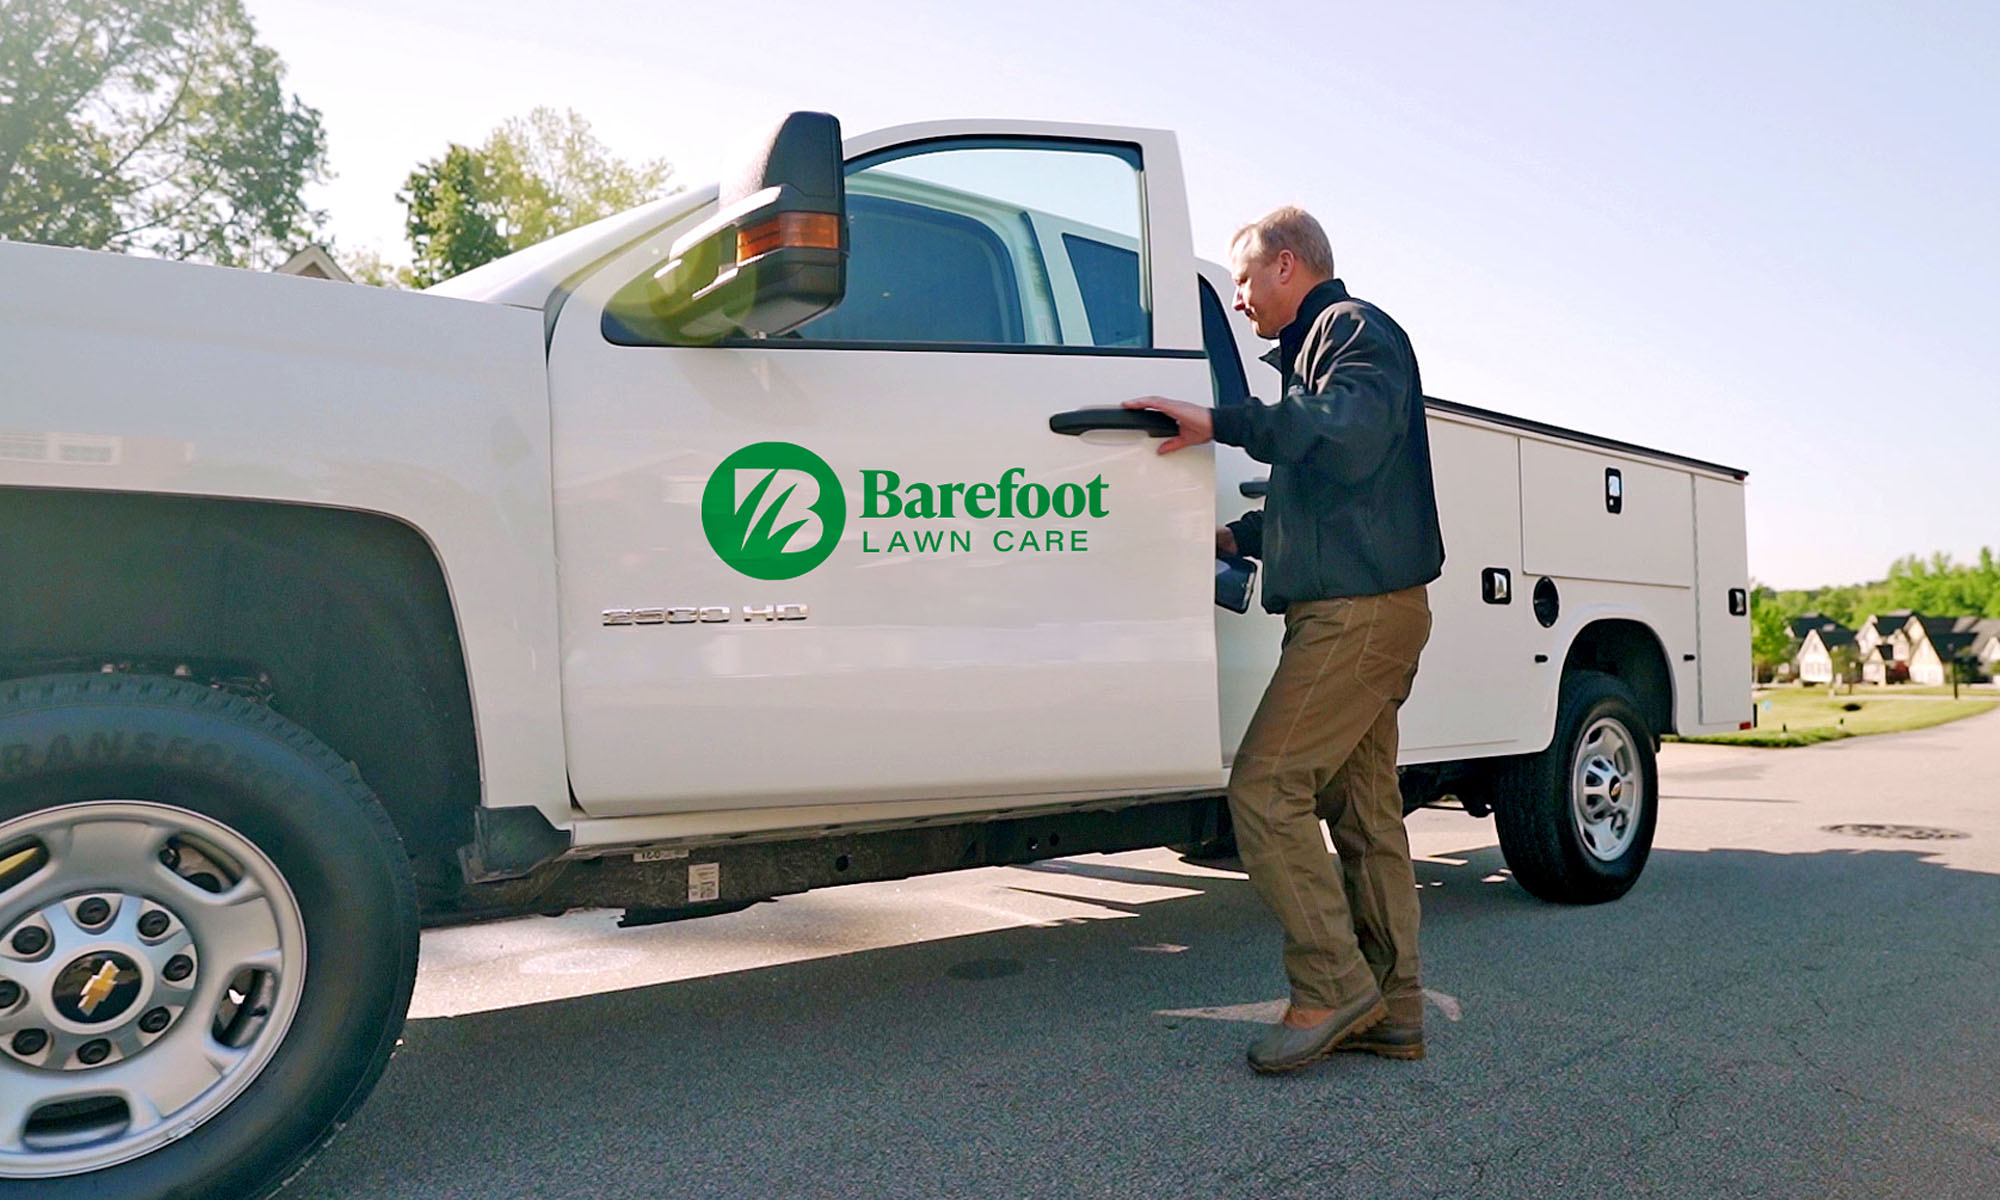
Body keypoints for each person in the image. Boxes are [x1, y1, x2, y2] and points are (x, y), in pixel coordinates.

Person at [1126, 206, 1445, 1073]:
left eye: (1242, 279)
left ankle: (1332, 985)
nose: (1238, 300)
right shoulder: (1318, 357)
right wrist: (1236, 537)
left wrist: (1219, 420)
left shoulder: (1353, 330)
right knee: (1364, 813)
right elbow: (1331, 485)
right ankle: (1395, 1008)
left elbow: (1346, 432)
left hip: (1355, 616)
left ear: (1287, 265)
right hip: (1365, 610)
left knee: (1267, 790)